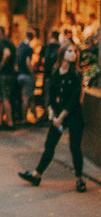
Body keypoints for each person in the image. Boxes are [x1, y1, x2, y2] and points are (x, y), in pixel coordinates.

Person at [18, 43, 87, 193]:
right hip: (58, 114)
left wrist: (61, 117)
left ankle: (79, 179)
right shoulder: (56, 73)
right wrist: (50, 111)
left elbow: (74, 99)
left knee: (75, 147)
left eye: (74, 52)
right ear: (62, 54)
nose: (73, 54)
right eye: (69, 51)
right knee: (50, 145)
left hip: (73, 115)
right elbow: (51, 96)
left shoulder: (76, 74)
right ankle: (37, 174)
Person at [0, 26, 16, 129]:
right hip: (8, 73)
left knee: (5, 98)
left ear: (0, 32)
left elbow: (7, 54)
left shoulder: (3, 43)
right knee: (2, 98)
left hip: (4, 74)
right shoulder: (8, 42)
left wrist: (0, 67)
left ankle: (10, 122)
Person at [16, 31, 38, 124]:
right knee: (27, 98)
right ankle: (24, 118)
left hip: (19, 74)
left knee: (30, 96)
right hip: (26, 75)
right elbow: (28, 61)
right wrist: (32, 73)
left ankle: (36, 117)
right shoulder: (29, 49)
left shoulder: (20, 46)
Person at [40, 31, 61, 121]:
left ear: (50, 36)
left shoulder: (45, 47)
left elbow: (42, 61)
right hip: (58, 76)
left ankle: (48, 114)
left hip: (47, 76)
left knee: (48, 95)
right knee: (57, 95)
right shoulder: (60, 48)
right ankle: (55, 114)